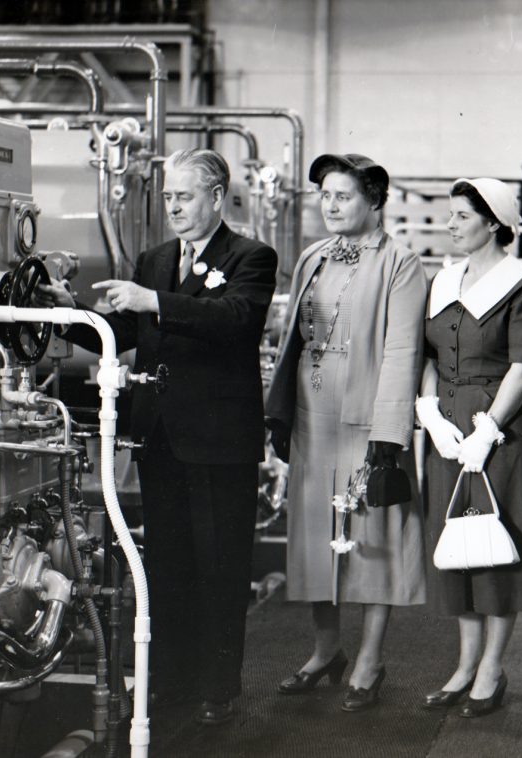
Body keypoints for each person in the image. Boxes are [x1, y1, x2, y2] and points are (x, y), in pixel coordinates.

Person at [36, 148, 277, 726]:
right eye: (168, 197)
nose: (173, 207)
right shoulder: (156, 257)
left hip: (219, 440)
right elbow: (125, 333)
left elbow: (236, 320)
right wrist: (73, 315)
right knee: (166, 566)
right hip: (161, 437)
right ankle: (169, 683)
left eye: (184, 196)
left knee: (219, 564)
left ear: (217, 197)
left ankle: (219, 691)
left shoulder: (252, 256)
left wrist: (155, 302)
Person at [265, 153, 426, 712]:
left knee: (372, 544)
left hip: (367, 422)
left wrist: (389, 433)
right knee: (316, 540)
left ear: (374, 200)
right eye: (325, 196)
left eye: (343, 196)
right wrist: (280, 415)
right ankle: (326, 650)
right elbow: (292, 343)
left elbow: (404, 351)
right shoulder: (312, 256)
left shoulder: (400, 264)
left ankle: (369, 660)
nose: (330, 205)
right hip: (313, 420)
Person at [417, 178, 522, 719]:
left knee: (493, 546)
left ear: (493, 222)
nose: (448, 224)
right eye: (448, 215)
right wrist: (429, 414)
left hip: (495, 432)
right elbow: (428, 356)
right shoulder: (443, 279)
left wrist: (488, 430)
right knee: (455, 545)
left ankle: (492, 668)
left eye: (459, 216)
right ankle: (463, 664)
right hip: (446, 432)